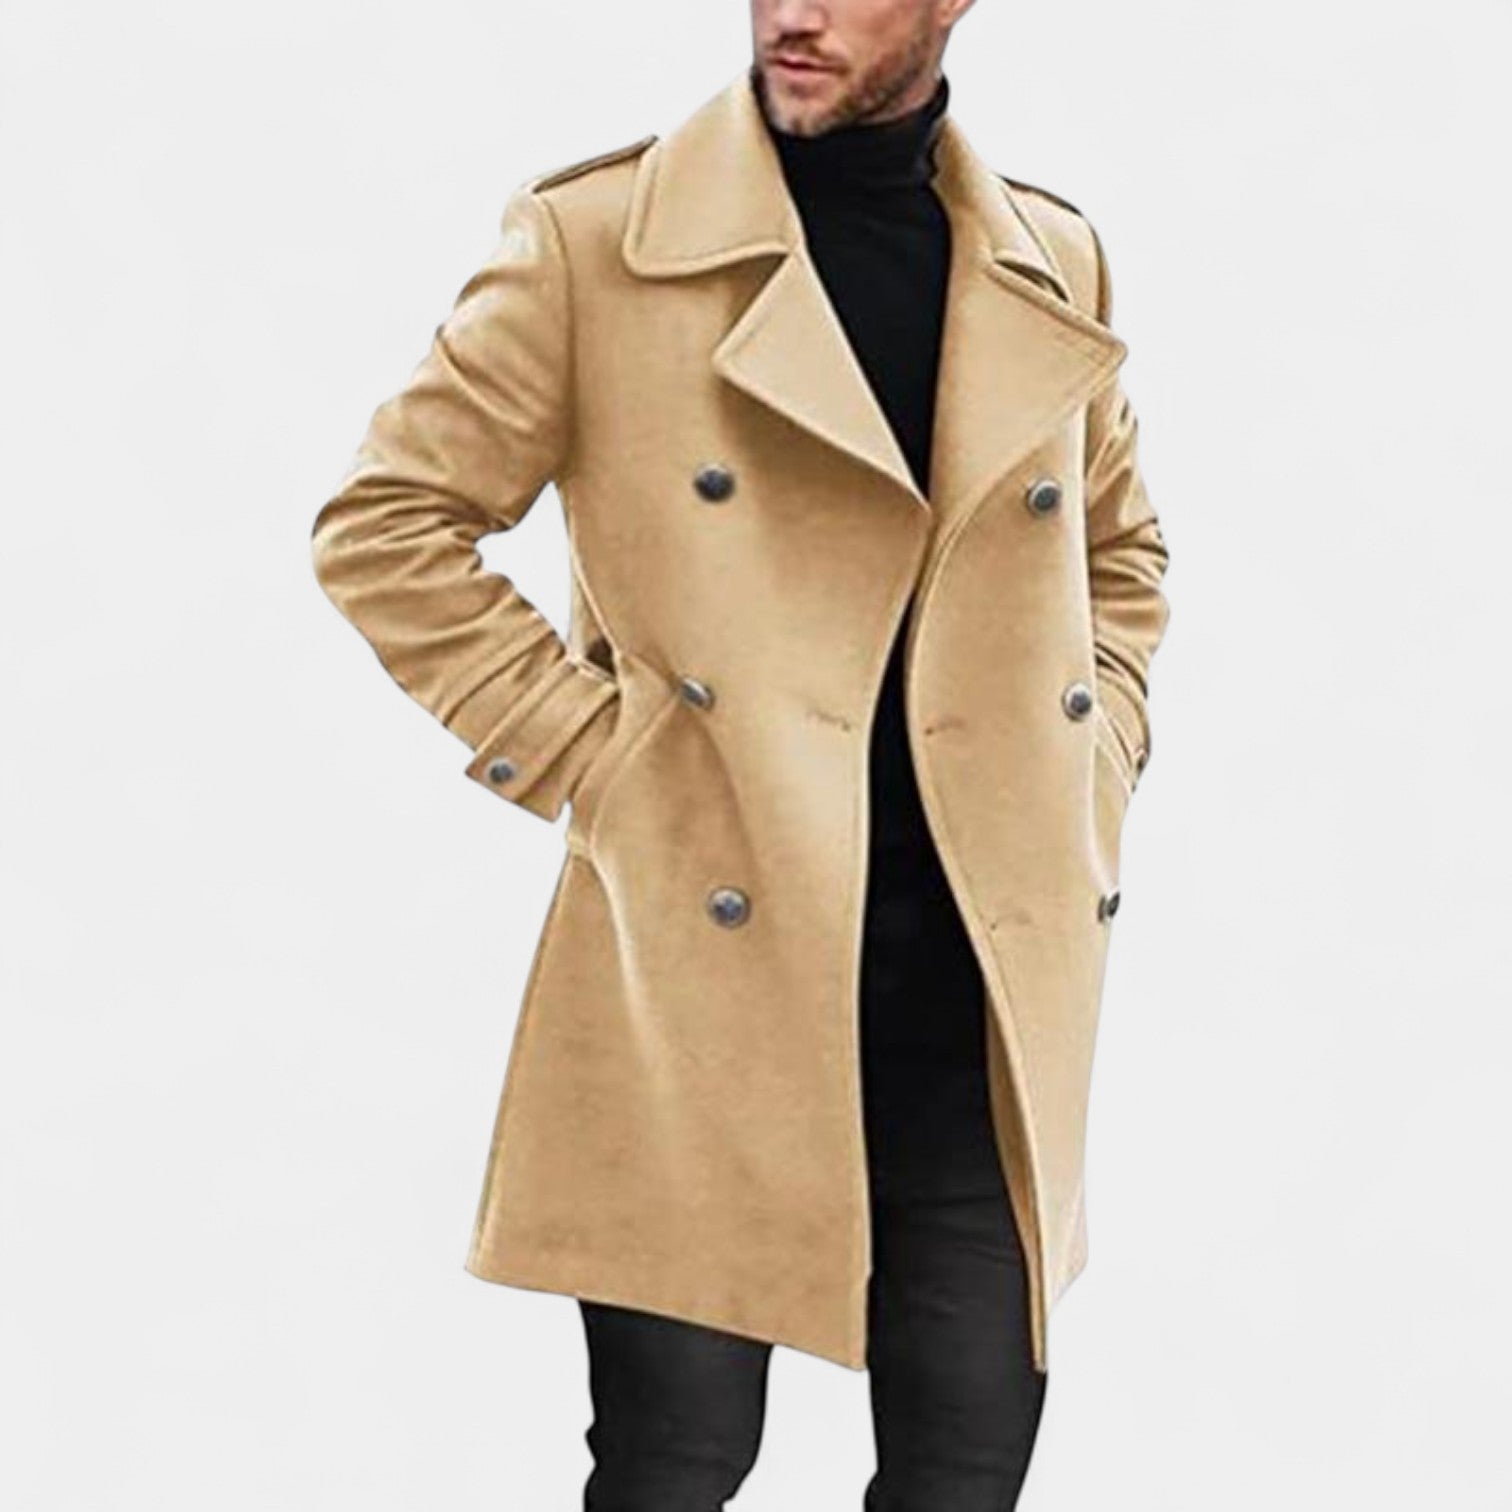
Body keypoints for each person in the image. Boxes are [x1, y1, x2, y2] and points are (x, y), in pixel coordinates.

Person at [312, 1, 1171, 1506]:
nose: (795, 12)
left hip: (978, 990)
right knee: (676, 1465)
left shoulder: (1048, 256)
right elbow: (387, 527)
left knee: (968, 1466)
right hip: (709, 974)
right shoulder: (603, 243)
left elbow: (1121, 553)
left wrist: (1090, 761)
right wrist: (600, 763)